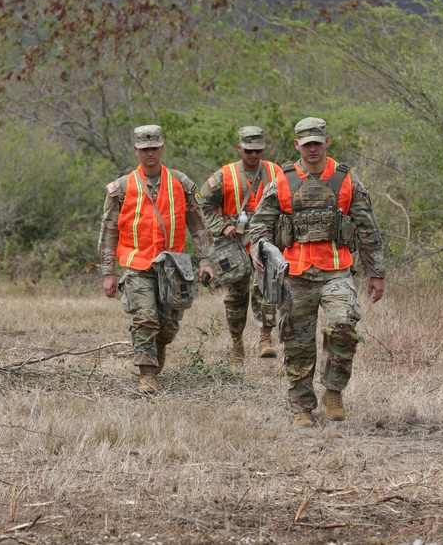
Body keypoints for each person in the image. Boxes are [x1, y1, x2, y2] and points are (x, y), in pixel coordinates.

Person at [249, 117, 386, 427]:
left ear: (327, 142)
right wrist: (259, 248)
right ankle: (301, 406)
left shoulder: (346, 179)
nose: (312, 148)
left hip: (336, 270)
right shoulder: (282, 180)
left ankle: (333, 389)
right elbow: (260, 223)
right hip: (295, 273)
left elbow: (367, 227)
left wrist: (376, 272)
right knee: (298, 343)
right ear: (297, 144)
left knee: (343, 325)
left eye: (317, 142)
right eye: (306, 143)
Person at [99, 125, 215, 394]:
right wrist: (109, 272)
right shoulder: (121, 188)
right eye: (144, 149)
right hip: (137, 263)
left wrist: (206, 260)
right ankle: (147, 374)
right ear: (136, 151)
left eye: (154, 148)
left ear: (161, 148)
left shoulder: (181, 183)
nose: (150, 153)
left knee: (168, 325)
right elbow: (109, 230)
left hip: (172, 265)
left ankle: (158, 346)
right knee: (145, 319)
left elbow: (197, 224)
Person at [200, 126, 288, 366]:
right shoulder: (223, 175)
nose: (253, 155)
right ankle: (237, 344)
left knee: (267, 290)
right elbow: (204, 204)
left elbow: (287, 203)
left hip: (266, 241)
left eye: (258, 150)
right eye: (248, 150)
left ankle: (265, 338)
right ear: (239, 148)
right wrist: (221, 226)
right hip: (234, 244)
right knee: (236, 296)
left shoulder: (275, 171)